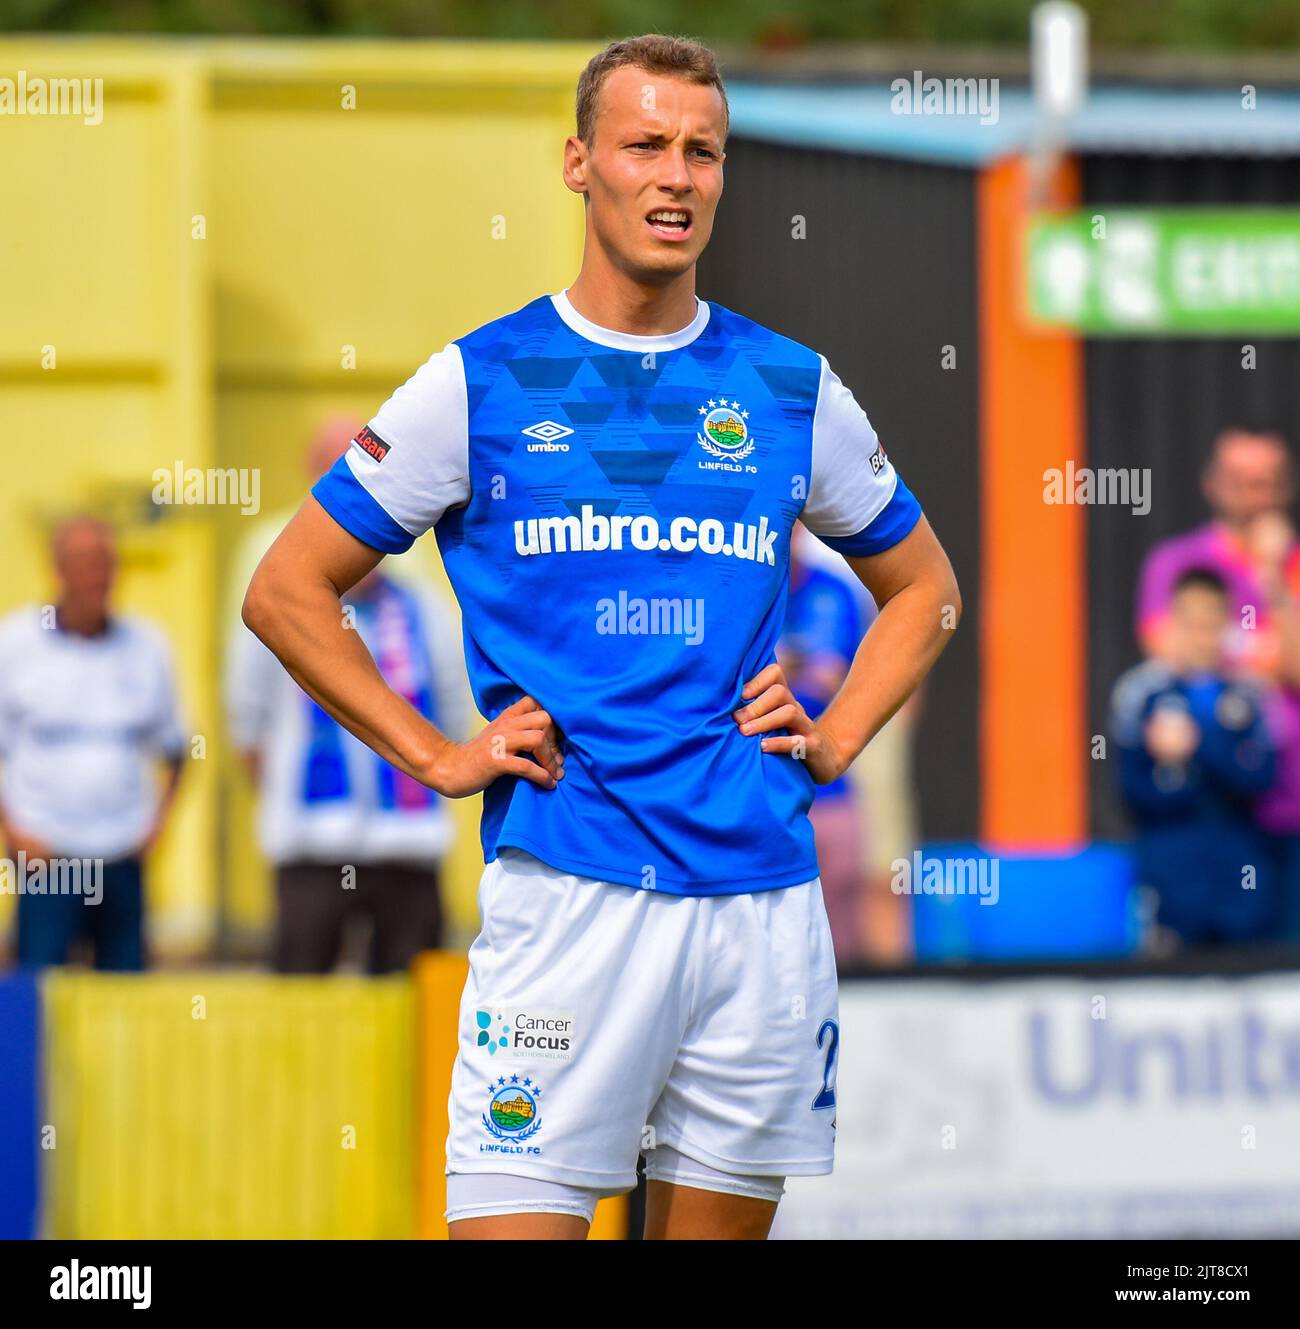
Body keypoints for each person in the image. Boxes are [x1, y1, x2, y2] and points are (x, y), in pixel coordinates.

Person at [242, 33, 959, 1241]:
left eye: (702, 152)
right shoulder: (479, 382)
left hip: (757, 909)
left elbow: (925, 589)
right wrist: (435, 758)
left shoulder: (790, 388)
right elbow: (287, 592)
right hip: (565, 905)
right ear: (579, 163)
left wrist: (834, 742)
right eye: (645, 147)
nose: (675, 178)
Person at [227, 561, 469, 974]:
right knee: (301, 992)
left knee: (411, 994)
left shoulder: (425, 608)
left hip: (407, 844)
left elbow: (452, 713)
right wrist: (280, 795)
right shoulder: (284, 607)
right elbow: (248, 722)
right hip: (312, 843)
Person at [0, 517, 186, 970]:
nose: (96, 578)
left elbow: (177, 750)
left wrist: (155, 827)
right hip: (47, 852)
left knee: (123, 996)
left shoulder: (147, 646)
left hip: (121, 851)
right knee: (38, 988)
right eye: (84, 565)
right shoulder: (15, 643)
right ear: (58, 569)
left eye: (105, 564)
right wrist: (14, 831)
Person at [1136, 428, 1300, 940]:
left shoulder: (1288, 569)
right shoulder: (1177, 564)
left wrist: (1274, 576)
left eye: (1264, 484)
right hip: (1216, 816)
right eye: (1239, 482)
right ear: (1212, 483)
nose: (1252, 498)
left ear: (1286, 489)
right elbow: (1173, 654)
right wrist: (1260, 657)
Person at [1114, 568, 1276, 947]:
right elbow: (1132, 792)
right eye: (1192, 624)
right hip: (1171, 879)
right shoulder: (1142, 694)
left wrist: (1195, 748)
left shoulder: (1250, 695)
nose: (1203, 637)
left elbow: (1258, 780)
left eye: (1212, 623)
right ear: (1173, 624)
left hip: (1239, 882)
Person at [779, 523, 870, 967]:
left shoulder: (833, 589)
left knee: (844, 913)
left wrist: (785, 668)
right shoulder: (741, 587)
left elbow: (836, 675)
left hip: (832, 782)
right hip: (764, 778)